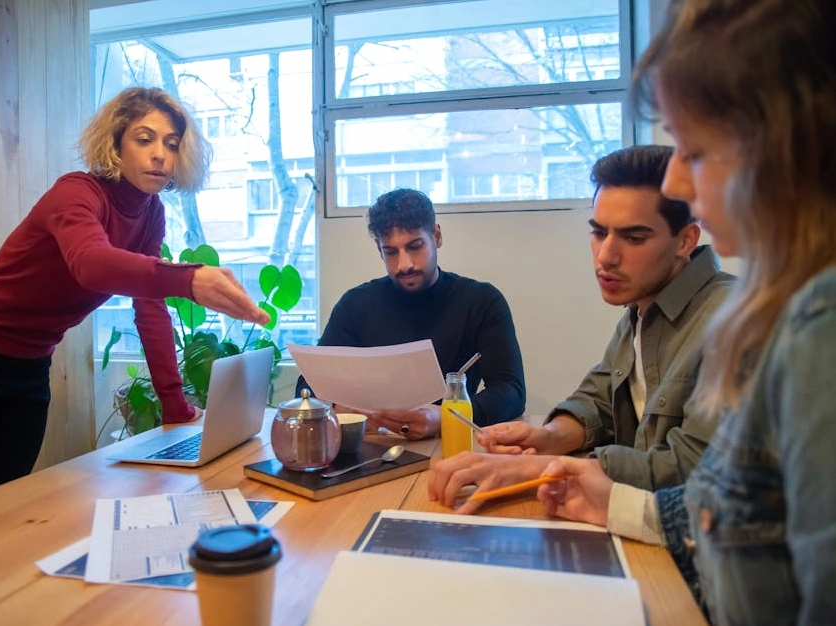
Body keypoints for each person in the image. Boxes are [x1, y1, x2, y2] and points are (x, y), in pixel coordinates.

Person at [536, 0, 836, 623]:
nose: (678, 181)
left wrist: (564, 461)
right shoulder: (755, 306)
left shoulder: (813, 325)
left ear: (782, 147)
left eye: (694, 150)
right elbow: (718, 501)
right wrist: (567, 459)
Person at [0, 87, 270, 511]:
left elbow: (149, 302)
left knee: (2, 504)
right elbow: (91, 264)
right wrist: (189, 279)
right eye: (145, 139)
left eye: (171, 144)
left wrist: (174, 405)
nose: (160, 154)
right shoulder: (76, 193)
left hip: (29, 367)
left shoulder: (151, 213)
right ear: (117, 143)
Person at [428, 145, 734, 511]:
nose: (606, 255)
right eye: (599, 232)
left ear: (686, 240)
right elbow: (600, 398)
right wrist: (549, 437)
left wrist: (537, 468)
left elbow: (691, 469)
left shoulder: (734, 322)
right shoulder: (640, 310)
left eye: (634, 238)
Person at [296, 188, 525, 439]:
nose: (404, 264)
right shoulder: (355, 305)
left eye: (415, 246)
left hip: (448, 444)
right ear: (378, 249)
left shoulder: (481, 301)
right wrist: (337, 409)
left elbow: (510, 391)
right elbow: (307, 388)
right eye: (391, 252)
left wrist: (445, 418)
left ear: (436, 236)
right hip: (371, 447)